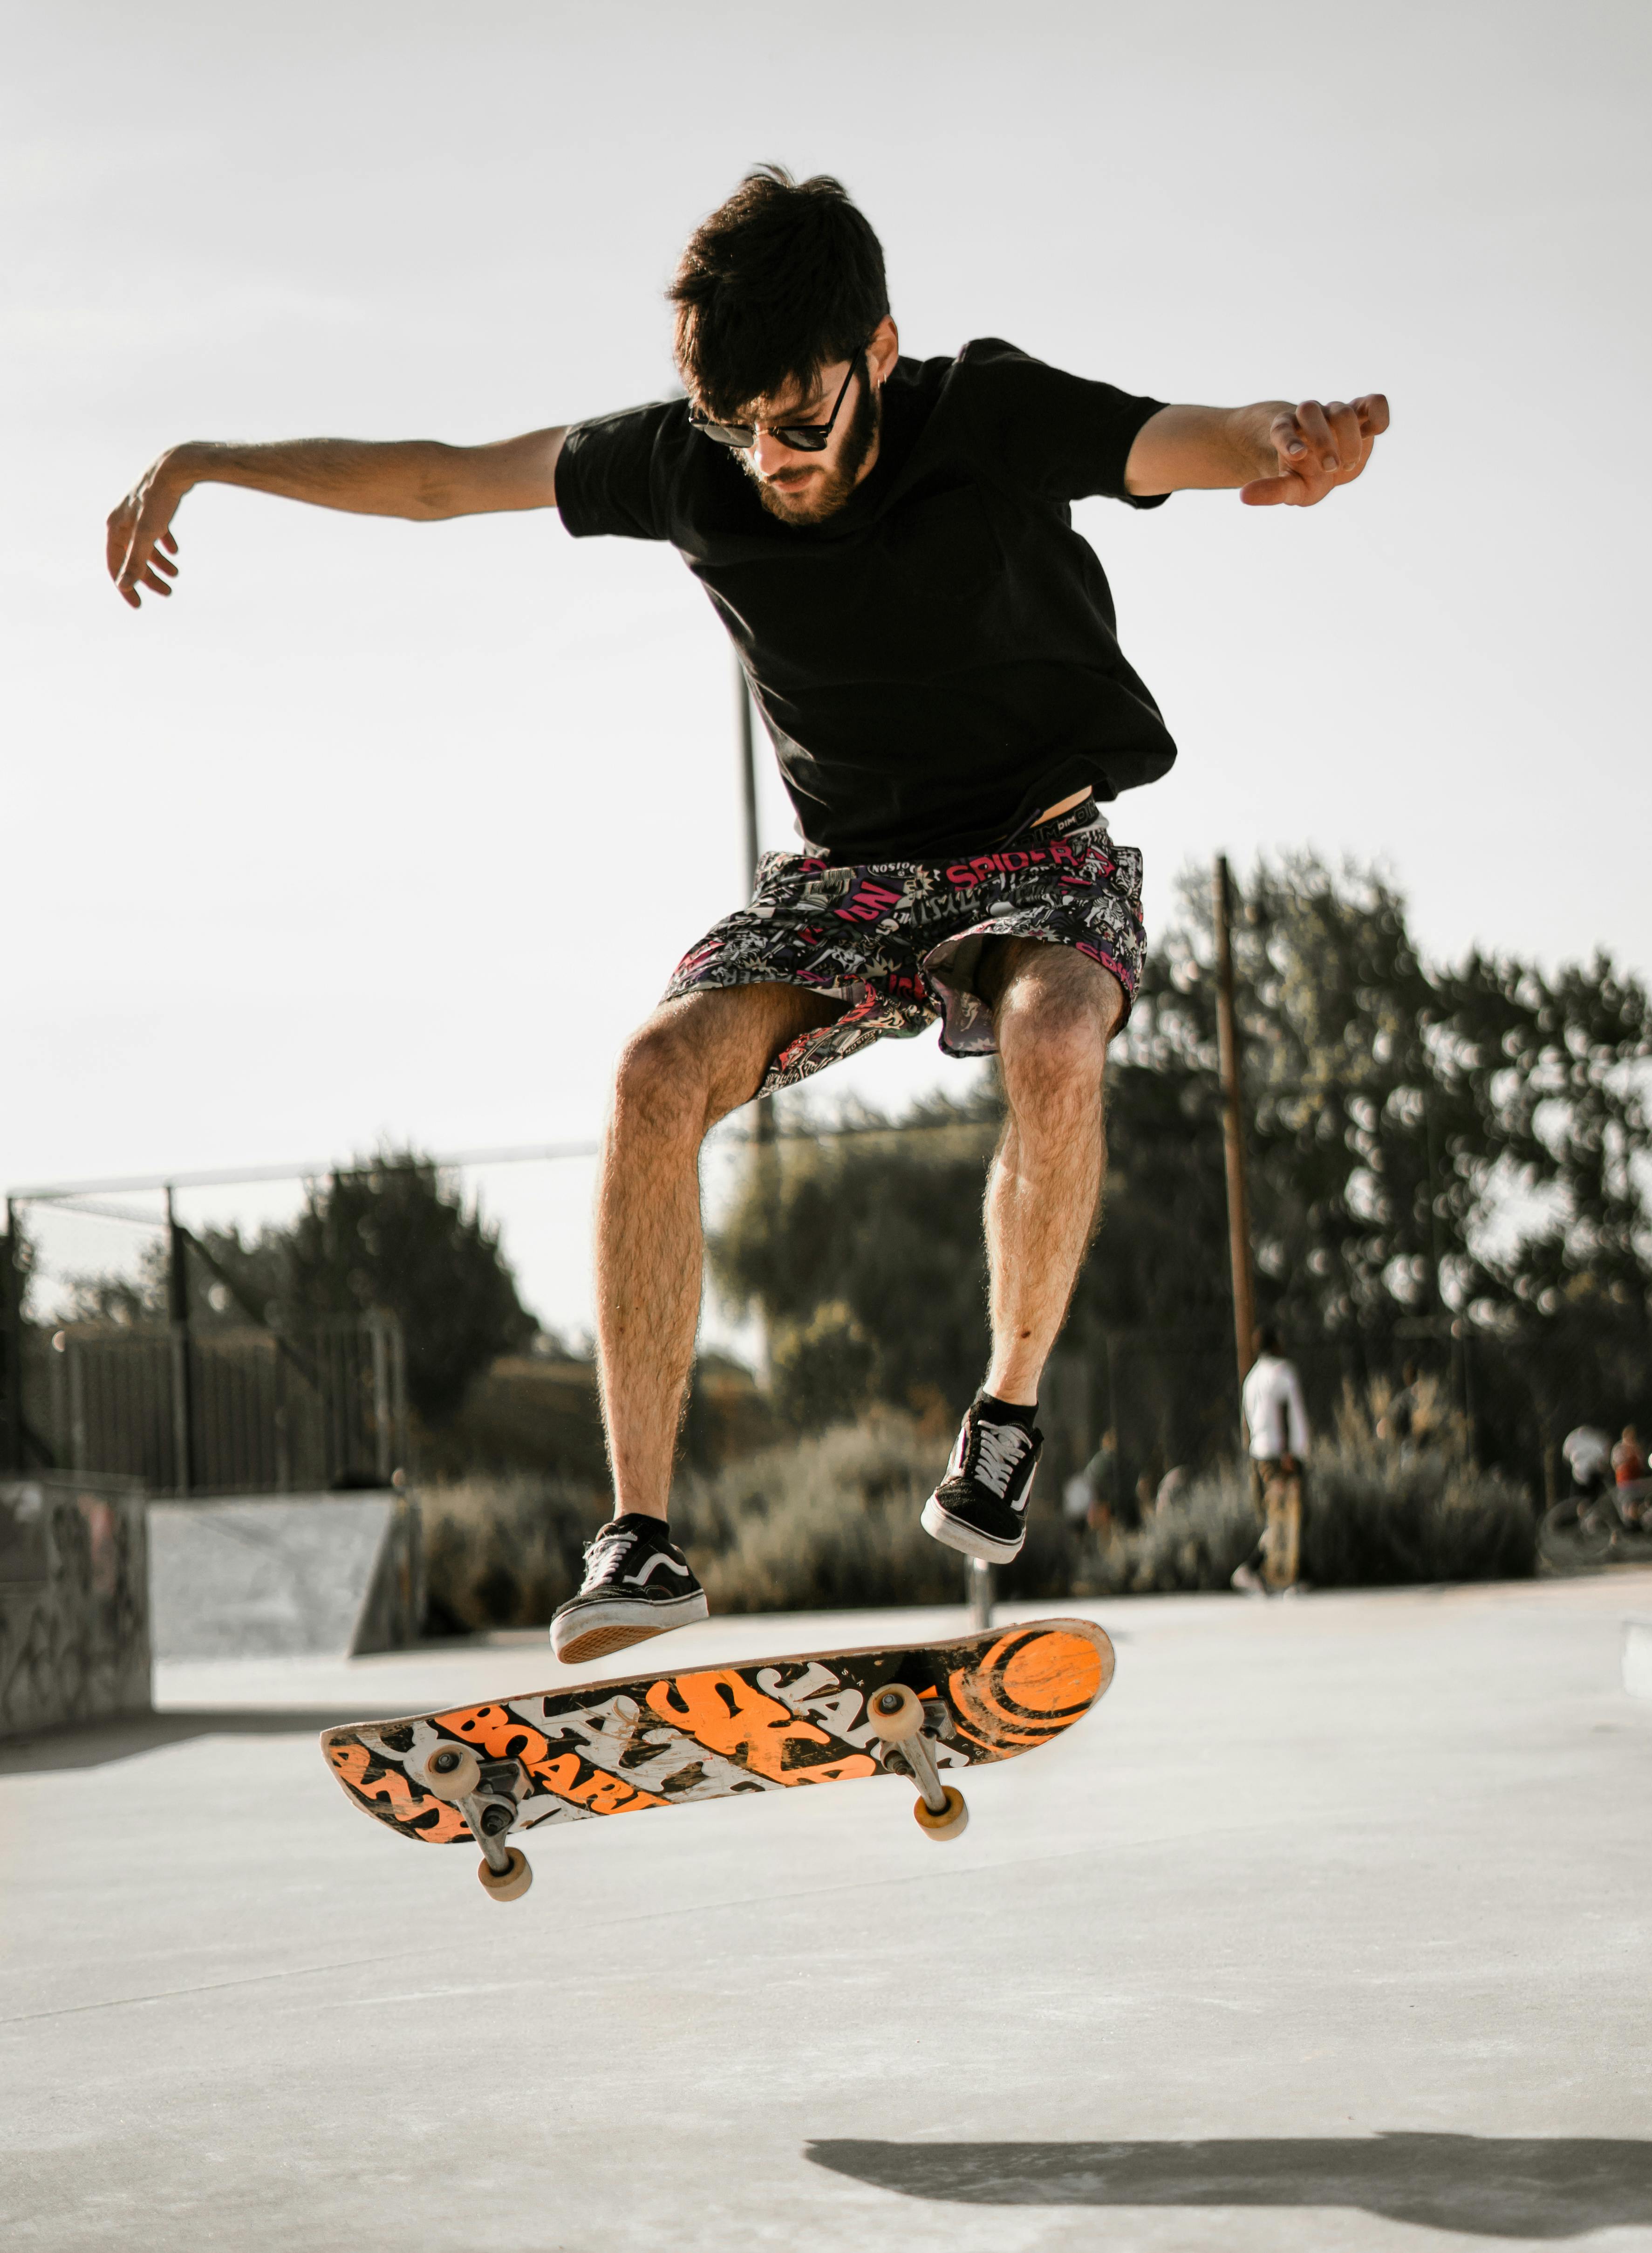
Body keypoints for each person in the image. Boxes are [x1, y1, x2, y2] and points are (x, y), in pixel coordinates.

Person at [106, 167, 1388, 1665]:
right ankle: (638, 1537)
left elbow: (1181, 440)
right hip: (845, 880)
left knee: (1051, 1034)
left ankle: (1005, 1410)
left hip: (1037, 854)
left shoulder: (981, 411)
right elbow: (445, 475)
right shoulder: (689, 462)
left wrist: (1282, 446)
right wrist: (199, 458)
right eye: (739, 429)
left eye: (799, 422)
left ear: (879, 352)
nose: (769, 461)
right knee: (654, 1076)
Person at [1234, 1325, 1311, 1595]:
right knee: (1289, 1517)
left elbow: (1247, 1420)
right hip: (1281, 1454)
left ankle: (1265, 1574)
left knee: (1274, 1517)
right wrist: (1289, 1453)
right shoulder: (1282, 1373)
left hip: (1260, 1453)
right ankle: (1270, 1572)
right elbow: (1285, 1410)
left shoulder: (1252, 1378)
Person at [1562, 1424, 1611, 1501]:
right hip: (1588, 1475)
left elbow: (1566, 1455)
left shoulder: (1578, 1441)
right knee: (1593, 1498)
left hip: (1587, 1475)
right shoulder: (1595, 1441)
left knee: (1587, 1499)